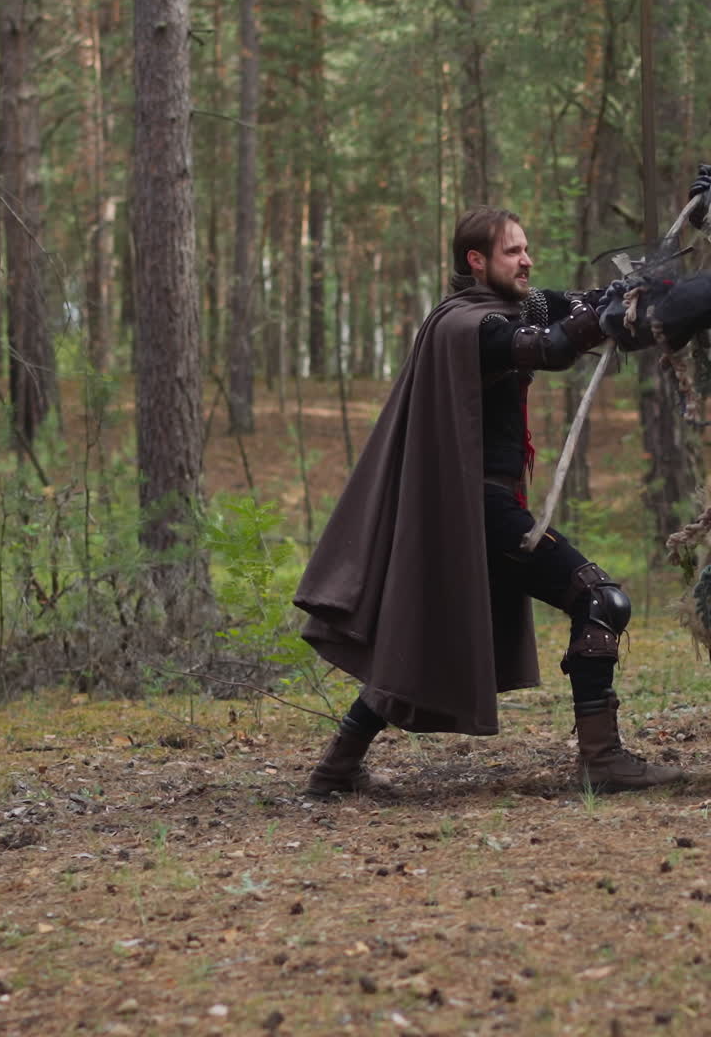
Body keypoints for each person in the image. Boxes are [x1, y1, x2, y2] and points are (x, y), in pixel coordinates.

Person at [294, 206, 685, 795]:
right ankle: (602, 760)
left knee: (422, 633)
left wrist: (650, 277)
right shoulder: (471, 326)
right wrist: (599, 318)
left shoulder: (507, 308)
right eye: (512, 252)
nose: (527, 261)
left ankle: (336, 767)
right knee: (600, 600)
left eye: (526, 249)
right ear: (476, 261)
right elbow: (551, 346)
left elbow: (581, 305)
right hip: (480, 510)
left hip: (478, 508)